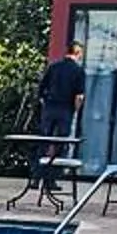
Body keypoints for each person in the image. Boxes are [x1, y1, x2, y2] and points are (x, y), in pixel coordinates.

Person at [29, 43, 85, 204]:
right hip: (65, 110)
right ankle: (51, 180)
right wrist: (75, 111)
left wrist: (45, 104)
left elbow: (41, 89)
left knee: (43, 142)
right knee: (60, 144)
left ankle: (36, 178)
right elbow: (79, 96)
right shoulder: (78, 71)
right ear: (78, 53)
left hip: (50, 108)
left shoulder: (54, 67)